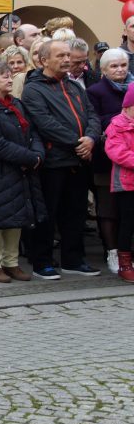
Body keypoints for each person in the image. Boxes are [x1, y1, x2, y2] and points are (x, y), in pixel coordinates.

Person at [22, 40, 102, 279]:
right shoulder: (34, 89)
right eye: (61, 56)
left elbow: (92, 115)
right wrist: (79, 143)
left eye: (68, 55)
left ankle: (73, 259)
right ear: (44, 60)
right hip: (53, 162)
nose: (67, 60)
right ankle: (42, 261)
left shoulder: (74, 86)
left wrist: (91, 138)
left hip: (79, 161)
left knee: (76, 213)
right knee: (47, 214)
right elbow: (45, 123)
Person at [0, 62, 44, 283]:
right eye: (4, 77)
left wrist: (37, 155)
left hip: (20, 170)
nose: (10, 80)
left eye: (11, 76)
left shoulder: (16, 105)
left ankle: (11, 262)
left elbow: (32, 133)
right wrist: (28, 157)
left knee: (16, 217)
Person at [87, 48, 129, 274]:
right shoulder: (96, 91)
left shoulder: (132, 87)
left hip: (131, 160)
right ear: (103, 70)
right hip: (107, 160)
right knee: (108, 209)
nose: (120, 69)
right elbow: (94, 119)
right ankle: (112, 251)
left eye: (123, 65)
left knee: (128, 210)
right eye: (114, 66)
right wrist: (122, 119)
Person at [104, 83, 134, 283]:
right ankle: (124, 262)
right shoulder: (117, 124)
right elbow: (117, 152)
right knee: (127, 223)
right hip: (127, 184)